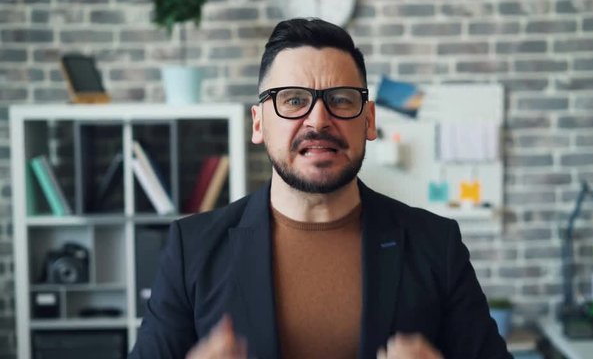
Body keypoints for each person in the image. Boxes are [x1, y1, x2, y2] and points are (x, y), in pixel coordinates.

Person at [129, 18, 512, 359]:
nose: (318, 119)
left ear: (369, 121)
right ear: (258, 123)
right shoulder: (191, 248)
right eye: (293, 100)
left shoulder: (436, 245)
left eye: (341, 100)